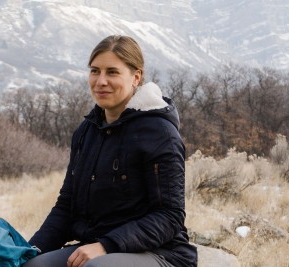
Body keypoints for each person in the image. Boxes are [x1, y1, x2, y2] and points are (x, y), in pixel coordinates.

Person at [23, 35, 198, 267]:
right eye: (95, 71)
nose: (101, 81)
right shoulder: (86, 131)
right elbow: (66, 206)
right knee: (31, 266)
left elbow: (169, 216)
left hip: (160, 252)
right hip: (96, 246)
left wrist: (106, 246)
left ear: (136, 77)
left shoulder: (159, 133)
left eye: (112, 72)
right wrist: (32, 250)